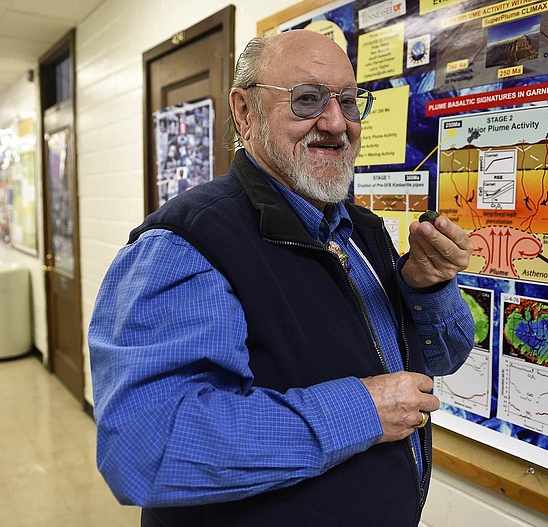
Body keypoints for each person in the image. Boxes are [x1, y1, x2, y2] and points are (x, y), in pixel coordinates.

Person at [89, 30, 475, 527]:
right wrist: (362, 409)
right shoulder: (186, 244)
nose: (336, 123)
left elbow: (443, 360)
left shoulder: (362, 232)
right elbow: (146, 448)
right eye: (307, 100)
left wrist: (427, 288)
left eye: (350, 103)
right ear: (245, 112)